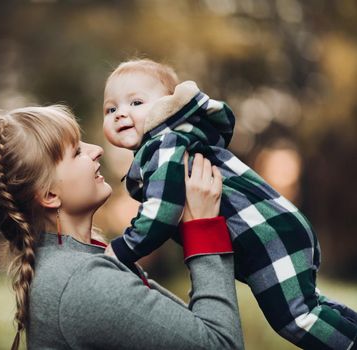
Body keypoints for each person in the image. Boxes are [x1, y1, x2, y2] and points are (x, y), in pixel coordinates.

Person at [102, 58, 357, 349]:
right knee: (314, 306)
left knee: (297, 319)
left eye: (135, 103)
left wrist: (122, 249)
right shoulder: (174, 143)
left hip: (267, 235)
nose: (121, 114)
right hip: (276, 229)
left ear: (168, 106)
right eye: (111, 109)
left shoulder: (164, 144)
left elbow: (162, 211)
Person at [0, 105, 244, 349]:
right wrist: (203, 228)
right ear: (50, 195)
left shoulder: (77, 264)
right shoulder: (82, 283)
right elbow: (220, 344)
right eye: (76, 152)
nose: (97, 150)